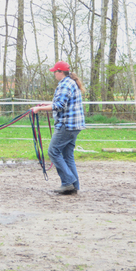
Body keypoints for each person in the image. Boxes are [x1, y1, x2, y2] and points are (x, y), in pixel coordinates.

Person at [32, 61, 86, 194]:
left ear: (60, 72)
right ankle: (74, 186)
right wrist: (46, 104)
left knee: (53, 151)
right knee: (68, 155)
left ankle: (68, 182)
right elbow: (62, 103)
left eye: (55, 72)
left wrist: (39, 109)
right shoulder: (71, 83)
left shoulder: (65, 84)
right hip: (75, 125)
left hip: (66, 125)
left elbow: (60, 106)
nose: (54, 74)